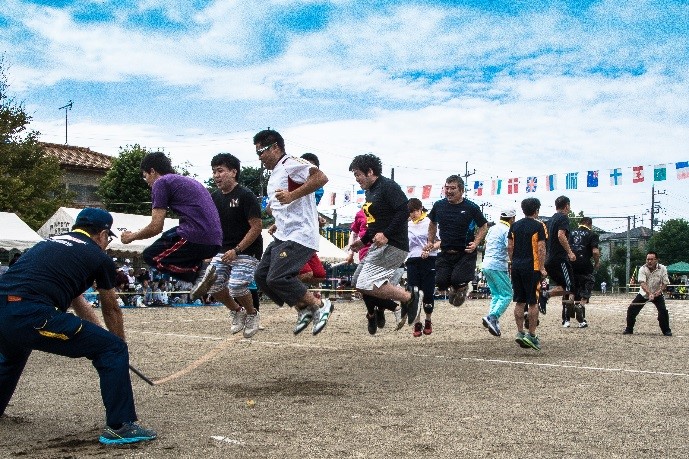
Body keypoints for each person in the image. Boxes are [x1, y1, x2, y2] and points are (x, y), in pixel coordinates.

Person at [0, 208, 156, 445]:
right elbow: (111, 307)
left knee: (13, 354)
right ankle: (120, 426)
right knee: (112, 349)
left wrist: (103, 338)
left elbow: (78, 301)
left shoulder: (49, 243)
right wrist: (117, 347)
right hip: (29, 313)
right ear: (103, 235)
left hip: (5, 311)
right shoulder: (98, 256)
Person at [252, 129, 334, 335]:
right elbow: (278, 206)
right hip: (283, 234)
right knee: (262, 276)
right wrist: (275, 217)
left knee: (278, 277)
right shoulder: (275, 175)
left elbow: (321, 178)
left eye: (261, 152)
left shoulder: (290, 163)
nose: (259, 158)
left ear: (275, 147)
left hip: (300, 234)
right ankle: (304, 308)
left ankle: (320, 304)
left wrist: (292, 196)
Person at [120, 152, 222, 302]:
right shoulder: (189, 181)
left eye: (145, 175)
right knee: (168, 239)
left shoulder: (161, 183)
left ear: (152, 171)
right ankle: (200, 272)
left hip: (196, 235)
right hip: (215, 240)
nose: (146, 181)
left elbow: (156, 226)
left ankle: (199, 272)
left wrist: (131, 237)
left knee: (151, 256)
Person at [348, 154, 421, 331]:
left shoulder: (388, 186)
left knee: (367, 283)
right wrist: (363, 241)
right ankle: (397, 305)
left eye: (358, 174)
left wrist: (387, 234)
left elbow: (403, 211)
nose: (357, 179)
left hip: (394, 245)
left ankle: (410, 298)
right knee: (357, 282)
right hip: (378, 244)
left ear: (370, 171)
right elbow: (374, 223)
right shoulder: (370, 192)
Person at [207, 153, 263, 339]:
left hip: (247, 249)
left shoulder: (246, 195)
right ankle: (237, 311)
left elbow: (256, 227)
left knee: (237, 286)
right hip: (223, 248)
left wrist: (237, 250)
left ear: (233, 172)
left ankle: (252, 314)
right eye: (214, 171)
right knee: (212, 284)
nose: (216, 175)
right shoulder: (214, 197)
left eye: (220, 170)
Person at [425, 175, 488, 307]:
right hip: (446, 251)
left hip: (465, 252)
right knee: (440, 282)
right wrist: (430, 241)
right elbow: (432, 223)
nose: (448, 191)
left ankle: (461, 287)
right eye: (446, 188)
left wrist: (476, 242)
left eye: (452, 188)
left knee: (458, 279)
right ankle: (455, 287)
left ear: (461, 190)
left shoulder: (471, 207)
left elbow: (483, 225)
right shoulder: (439, 205)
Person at [508, 198, 548, 351]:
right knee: (533, 302)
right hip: (532, 267)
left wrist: (514, 262)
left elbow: (510, 247)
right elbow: (541, 248)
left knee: (519, 301)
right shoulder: (539, 226)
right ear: (537, 210)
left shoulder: (514, 226)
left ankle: (519, 332)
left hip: (516, 266)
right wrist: (542, 267)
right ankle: (531, 335)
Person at [540, 195, 577, 326]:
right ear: (567, 205)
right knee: (570, 287)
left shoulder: (550, 220)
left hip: (549, 259)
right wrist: (570, 252)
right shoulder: (563, 218)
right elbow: (561, 235)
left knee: (567, 286)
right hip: (559, 258)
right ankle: (546, 295)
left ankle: (566, 314)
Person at [481, 208, 516, 337]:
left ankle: (492, 320)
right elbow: (510, 247)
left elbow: (486, 245)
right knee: (507, 294)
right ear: (512, 219)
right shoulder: (507, 230)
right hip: (498, 265)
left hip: (486, 264)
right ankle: (492, 317)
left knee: (496, 295)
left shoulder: (492, 228)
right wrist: (513, 260)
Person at [407, 198, 440, 337]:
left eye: (415, 210)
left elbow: (440, 241)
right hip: (412, 260)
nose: (413, 214)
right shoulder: (407, 225)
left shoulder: (429, 222)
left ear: (421, 209)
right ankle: (417, 322)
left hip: (429, 260)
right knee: (414, 293)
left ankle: (428, 320)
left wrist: (430, 247)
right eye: (411, 211)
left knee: (427, 292)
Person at [623, 251, 672, 336]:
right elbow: (642, 283)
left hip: (658, 294)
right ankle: (629, 329)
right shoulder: (642, 269)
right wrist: (649, 293)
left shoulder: (663, 268)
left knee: (663, 311)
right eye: (648, 259)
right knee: (631, 309)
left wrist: (659, 292)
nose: (649, 261)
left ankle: (666, 330)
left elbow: (665, 283)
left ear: (656, 260)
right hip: (644, 294)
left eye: (652, 259)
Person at [568, 216, 600, 328]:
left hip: (571, 262)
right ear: (589, 224)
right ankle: (581, 304)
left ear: (580, 223)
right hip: (585, 263)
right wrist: (596, 263)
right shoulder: (592, 234)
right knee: (589, 281)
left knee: (573, 284)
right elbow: (595, 252)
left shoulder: (571, 233)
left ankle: (571, 300)